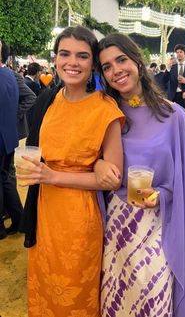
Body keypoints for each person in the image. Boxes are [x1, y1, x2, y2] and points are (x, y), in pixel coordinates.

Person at [94, 33, 185, 317]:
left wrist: (161, 194)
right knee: (116, 303)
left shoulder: (174, 117)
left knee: (153, 300)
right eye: (107, 67)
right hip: (115, 227)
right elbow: (85, 161)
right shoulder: (104, 114)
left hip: (156, 229)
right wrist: (98, 165)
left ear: (137, 59)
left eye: (121, 60)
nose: (116, 71)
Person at [19, 25, 124, 317]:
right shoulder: (48, 100)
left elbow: (113, 179)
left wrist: (53, 175)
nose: (72, 63)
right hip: (43, 211)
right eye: (64, 54)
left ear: (92, 65)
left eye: (82, 56)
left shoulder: (106, 109)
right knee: (44, 291)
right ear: (55, 59)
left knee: (74, 295)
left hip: (80, 220)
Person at [0, 40, 19, 239]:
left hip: (2, 138)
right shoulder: (10, 75)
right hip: (9, 138)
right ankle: (19, 218)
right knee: (5, 181)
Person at [164, 44, 185, 109]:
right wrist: (167, 68)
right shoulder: (172, 67)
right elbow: (165, 80)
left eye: (181, 52)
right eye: (177, 52)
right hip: (173, 97)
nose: (178, 54)